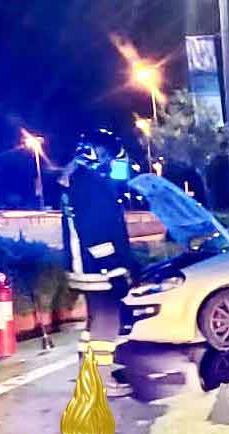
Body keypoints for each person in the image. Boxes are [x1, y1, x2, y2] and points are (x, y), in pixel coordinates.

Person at [57, 129, 138, 397]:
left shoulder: (76, 183)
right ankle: (100, 382)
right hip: (97, 270)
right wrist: (114, 269)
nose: (109, 162)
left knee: (92, 325)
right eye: (108, 156)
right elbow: (97, 230)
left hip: (84, 267)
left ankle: (87, 375)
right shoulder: (92, 184)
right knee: (106, 322)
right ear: (96, 153)